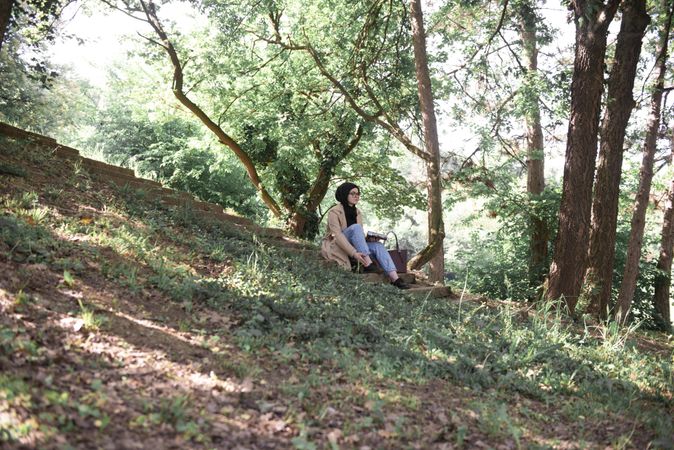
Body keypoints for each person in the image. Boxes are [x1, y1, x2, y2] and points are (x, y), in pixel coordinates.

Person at [321, 182, 410, 289]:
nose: (356, 196)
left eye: (358, 194)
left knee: (378, 246)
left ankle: (395, 278)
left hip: (354, 245)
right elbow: (337, 235)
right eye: (352, 193)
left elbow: (358, 237)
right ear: (345, 194)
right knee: (356, 227)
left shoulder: (357, 212)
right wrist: (354, 253)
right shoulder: (334, 212)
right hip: (338, 245)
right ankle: (368, 264)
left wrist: (369, 239)